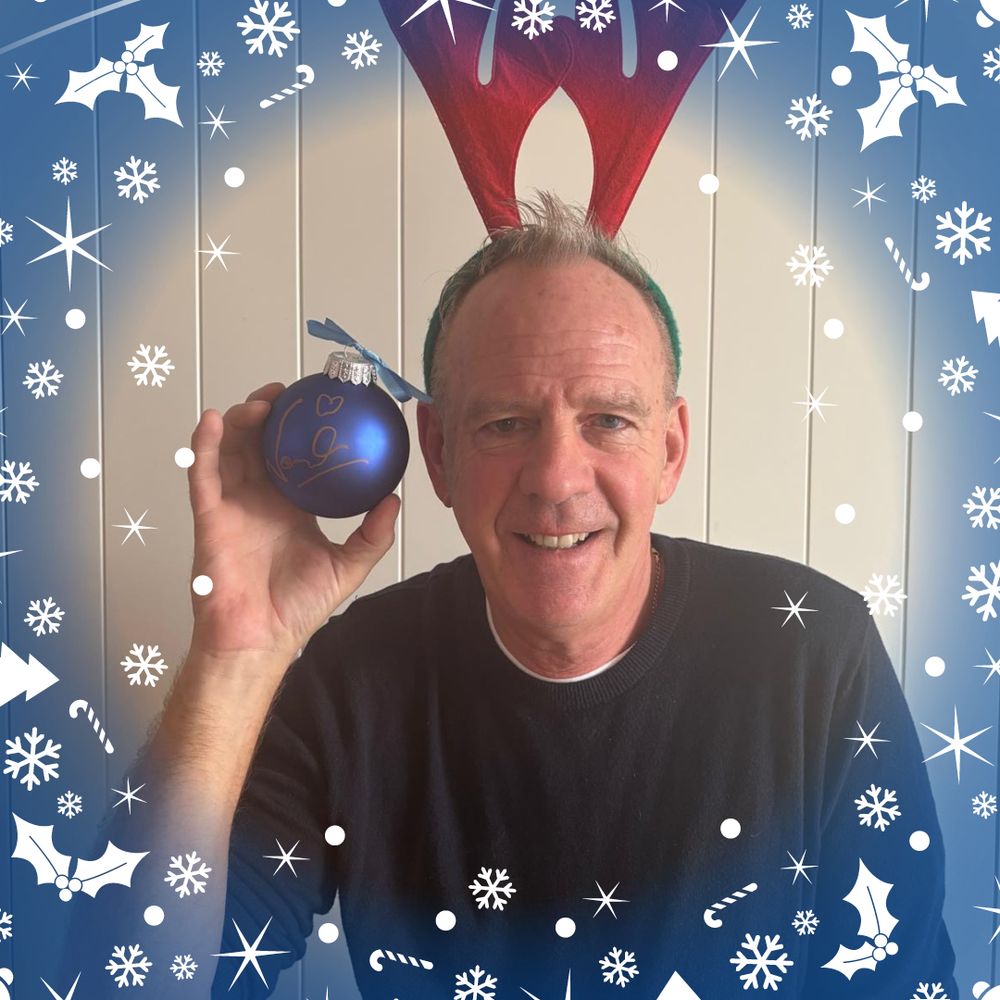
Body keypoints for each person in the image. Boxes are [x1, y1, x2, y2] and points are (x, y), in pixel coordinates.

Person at [61, 192, 956, 999]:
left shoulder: (815, 652)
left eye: (608, 419)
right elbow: (123, 985)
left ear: (671, 450)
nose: (557, 478)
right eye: (506, 424)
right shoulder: (347, 684)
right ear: (440, 454)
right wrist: (235, 658)